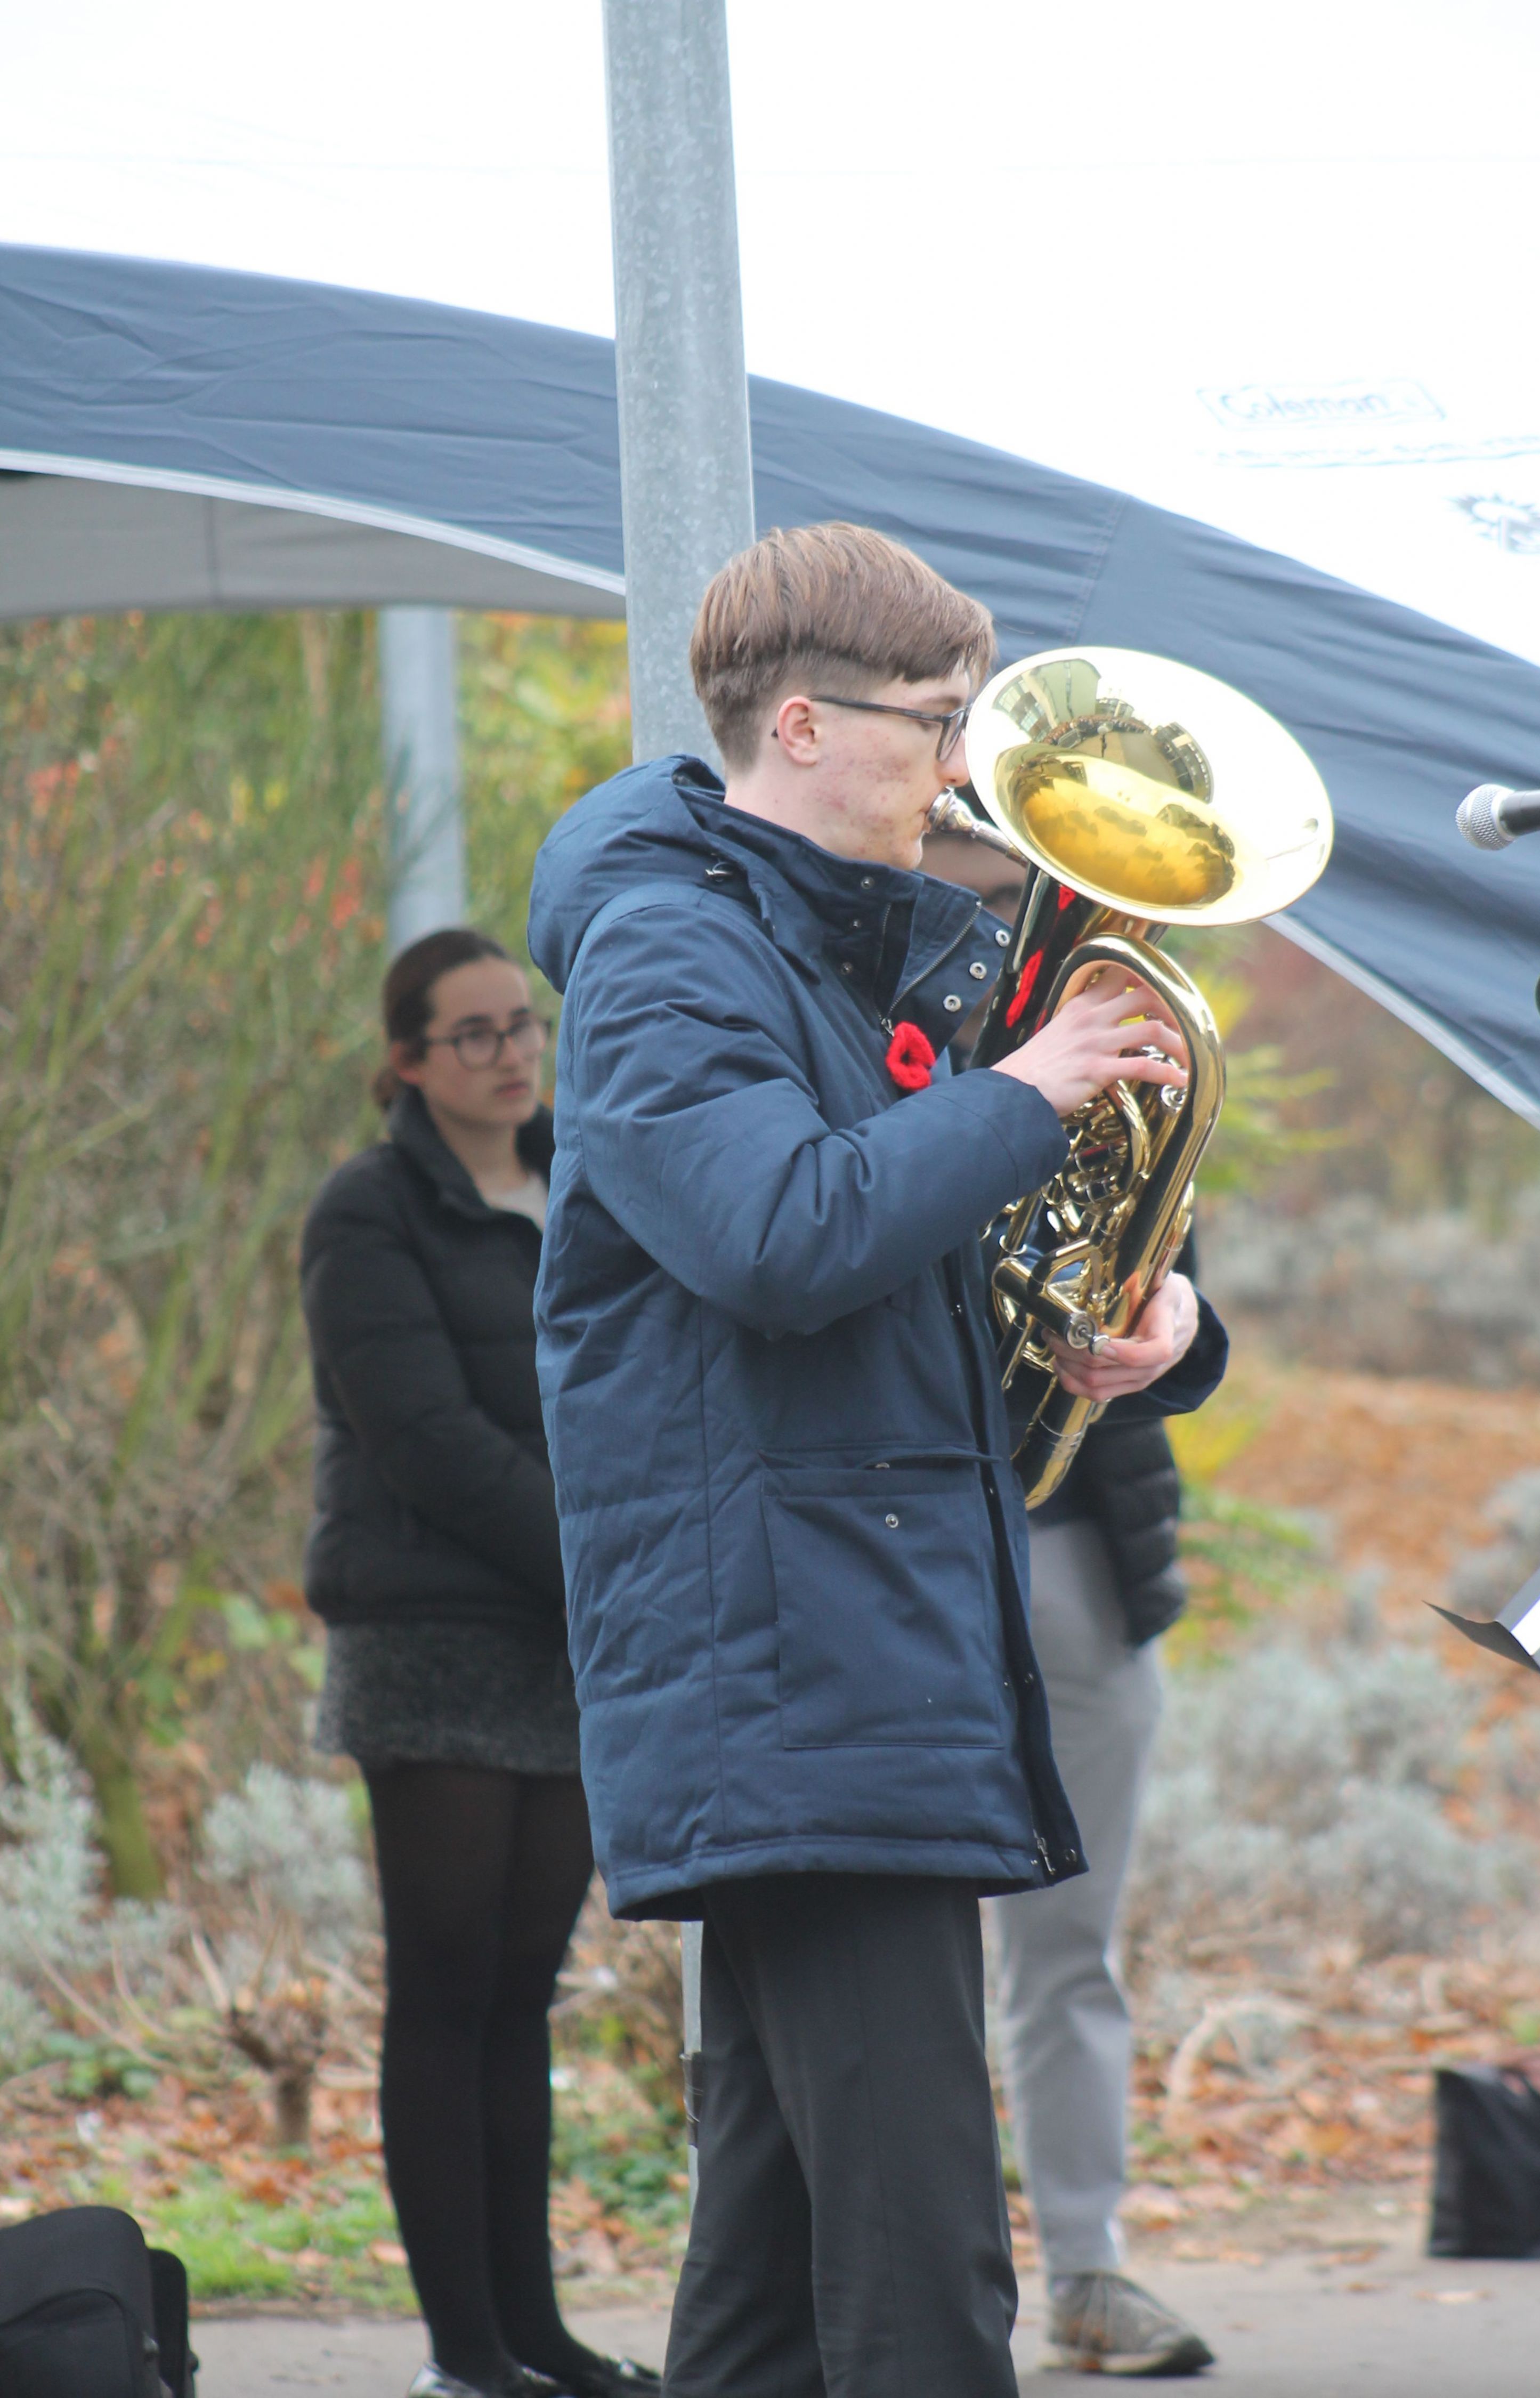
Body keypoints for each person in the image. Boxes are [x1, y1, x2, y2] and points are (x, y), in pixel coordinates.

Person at [528, 521, 1228, 2398]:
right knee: (923, 2278)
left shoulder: (880, 950)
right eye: (938, 725)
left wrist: (1158, 1325)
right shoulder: (668, 955)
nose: (965, 772)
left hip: (859, 1658)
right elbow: (781, 1234)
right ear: (811, 724)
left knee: (766, 2288)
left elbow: (981, 1240)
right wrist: (1029, 1090)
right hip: (799, 1674)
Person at [300, 928, 659, 2398]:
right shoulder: (366, 1213)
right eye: (473, 1033)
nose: (513, 1051)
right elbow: (429, 1443)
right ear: (406, 1062)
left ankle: (538, 2335)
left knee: (525, 1989)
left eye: (525, 1024)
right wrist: (605, 1564)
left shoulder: (591, 1183)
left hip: (572, 1639)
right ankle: (465, 2353)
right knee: (445, 1987)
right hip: (437, 1637)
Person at [922, 822, 1219, 2377]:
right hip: (902, 1527)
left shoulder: (1101, 1004)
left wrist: (1167, 1317)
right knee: (897, 1948)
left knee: (1071, 1943)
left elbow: (1166, 1257)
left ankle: (1091, 2269)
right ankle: (920, 2276)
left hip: (1077, 1541)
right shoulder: (854, 980)